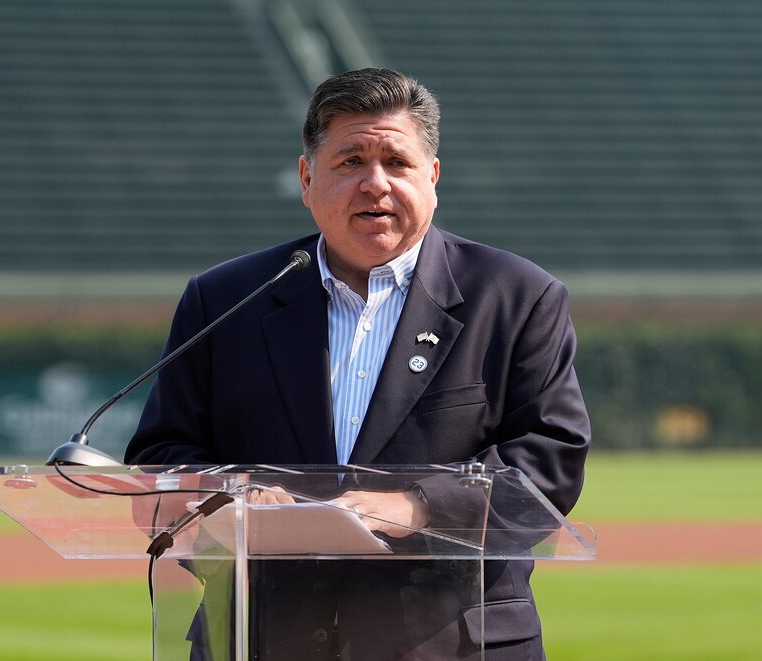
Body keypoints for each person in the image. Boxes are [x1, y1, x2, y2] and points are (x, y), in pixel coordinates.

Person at [125, 68, 590, 660]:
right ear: (306, 177)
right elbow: (161, 458)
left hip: (450, 646)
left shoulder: (518, 297)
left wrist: (415, 505)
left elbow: (550, 462)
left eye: (396, 162)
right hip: (261, 639)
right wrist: (228, 498)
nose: (376, 184)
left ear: (433, 177)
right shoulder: (224, 300)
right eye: (350, 162)